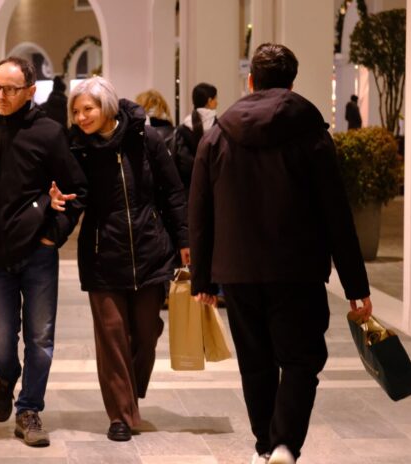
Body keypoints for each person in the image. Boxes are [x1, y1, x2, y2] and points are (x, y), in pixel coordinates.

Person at [189, 43, 372, 464]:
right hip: (298, 271)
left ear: (251, 81)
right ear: (291, 84)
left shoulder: (217, 136)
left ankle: (266, 447)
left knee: (255, 363)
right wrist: (355, 285)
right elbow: (336, 213)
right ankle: (284, 444)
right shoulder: (311, 135)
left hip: (237, 272)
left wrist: (202, 279)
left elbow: (199, 211)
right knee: (302, 359)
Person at [0, 56, 87, 447]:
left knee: (40, 339)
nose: (1, 96)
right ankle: (7, 375)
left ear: (30, 91)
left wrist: (53, 235)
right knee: (0, 339)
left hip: (38, 254)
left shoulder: (48, 133)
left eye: (10, 89)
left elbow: (77, 191)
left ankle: (29, 410)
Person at [50, 76, 189, 442]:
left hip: (149, 250)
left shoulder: (145, 138)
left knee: (146, 333)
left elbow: (173, 191)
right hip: (102, 255)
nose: (81, 117)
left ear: (107, 107)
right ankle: (121, 416)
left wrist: (184, 239)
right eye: (76, 111)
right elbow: (71, 199)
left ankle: (129, 391)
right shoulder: (77, 149)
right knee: (112, 336)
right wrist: (53, 223)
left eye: (88, 109)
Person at [172, 83, 218, 189]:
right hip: (213, 188)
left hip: (189, 187)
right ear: (209, 101)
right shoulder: (219, 128)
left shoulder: (183, 129)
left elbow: (182, 163)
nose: (217, 102)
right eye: (215, 99)